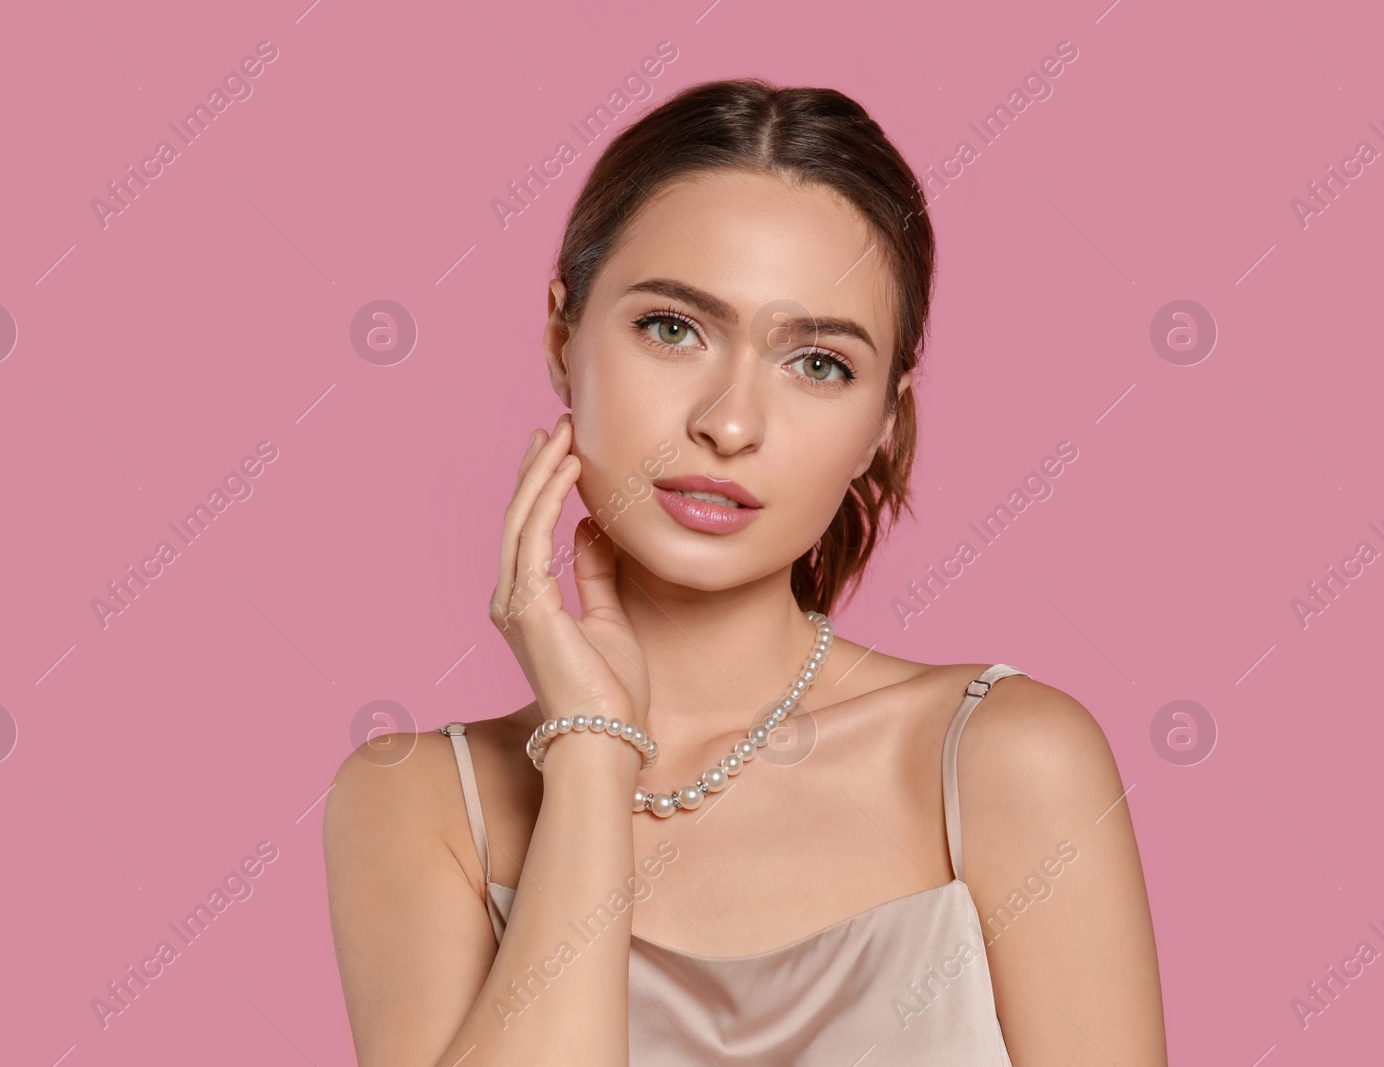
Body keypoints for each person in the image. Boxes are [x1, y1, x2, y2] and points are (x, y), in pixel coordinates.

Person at [324, 77, 1166, 1066]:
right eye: (673, 328)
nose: (729, 423)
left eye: (817, 363)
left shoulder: (1004, 759)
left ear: (882, 426)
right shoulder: (420, 801)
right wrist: (593, 755)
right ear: (562, 339)